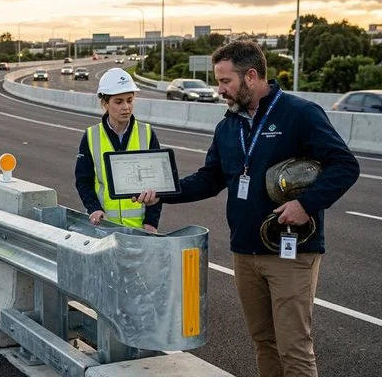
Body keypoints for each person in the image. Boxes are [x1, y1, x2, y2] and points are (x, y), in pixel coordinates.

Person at [134, 41, 360, 376]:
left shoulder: (299, 114)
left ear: (251, 77)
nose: (219, 89)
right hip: (245, 251)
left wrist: (306, 204)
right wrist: (163, 193)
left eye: (225, 81)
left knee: (294, 347)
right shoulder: (228, 126)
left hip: (291, 251)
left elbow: (345, 165)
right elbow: (210, 179)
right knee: (264, 342)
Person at [75, 67, 162, 232]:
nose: (126, 107)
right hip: (105, 227)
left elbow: (158, 185)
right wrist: (94, 208)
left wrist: (151, 222)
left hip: (141, 230)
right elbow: (83, 181)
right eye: (119, 101)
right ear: (105, 103)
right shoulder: (91, 136)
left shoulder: (147, 134)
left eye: (130, 100)